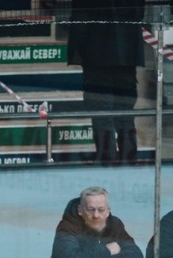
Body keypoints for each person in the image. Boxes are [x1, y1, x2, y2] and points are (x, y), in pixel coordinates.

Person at [68, 0, 146, 163]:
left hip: (96, 58)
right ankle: (128, 160)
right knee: (124, 116)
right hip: (126, 56)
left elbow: (80, 20)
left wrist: (81, 50)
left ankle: (107, 160)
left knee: (103, 115)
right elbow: (139, 14)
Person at [49, 187, 145, 258]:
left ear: (108, 211)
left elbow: (136, 255)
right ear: (80, 210)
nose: (96, 215)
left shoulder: (115, 224)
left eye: (101, 210)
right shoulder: (68, 227)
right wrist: (107, 251)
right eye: (90, 209)